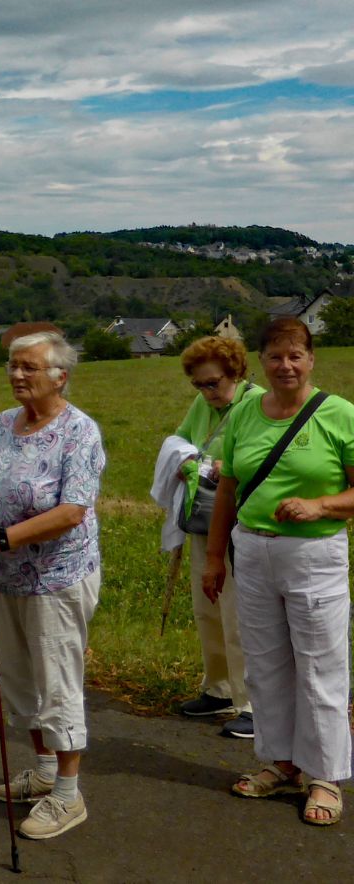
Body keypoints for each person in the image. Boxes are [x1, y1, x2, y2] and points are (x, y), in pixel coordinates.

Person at [0, 330, 105, 840]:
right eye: (13, 366)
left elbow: (72, 510)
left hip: (57, 577)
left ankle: (67, 794)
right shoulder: (0, 424)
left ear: (60, 376)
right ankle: (42, 769)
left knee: (57, 681)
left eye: (29, 368)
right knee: (18, 678)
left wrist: (4, 536)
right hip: (6, 574)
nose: (17, 375)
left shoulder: (80, 432)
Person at [202, 317, 353, 827]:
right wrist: (214, 556)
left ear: (311, 360)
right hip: (253, 551)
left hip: (313, 555)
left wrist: (322, 505)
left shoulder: (339, 415)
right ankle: (281, 762)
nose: (285, 365)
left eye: (296, 356)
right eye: (274, 356)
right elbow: (227, 488)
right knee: (265, 666)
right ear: (261, 363)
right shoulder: (245, 412)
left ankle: (326, 776)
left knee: (320, 667)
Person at [171, 336, 263, 737]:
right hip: (203, 517)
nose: (206, 393)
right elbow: (182, 441)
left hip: (242, 522)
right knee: (206, 604)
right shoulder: (202, 404)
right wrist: (186, 460)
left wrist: (216, 466)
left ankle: (254, 704)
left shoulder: (256, 403)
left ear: (236, 373)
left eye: (213, 384)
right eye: (198, 385)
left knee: (239, 614)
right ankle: (219, 688)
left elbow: (255, 463)